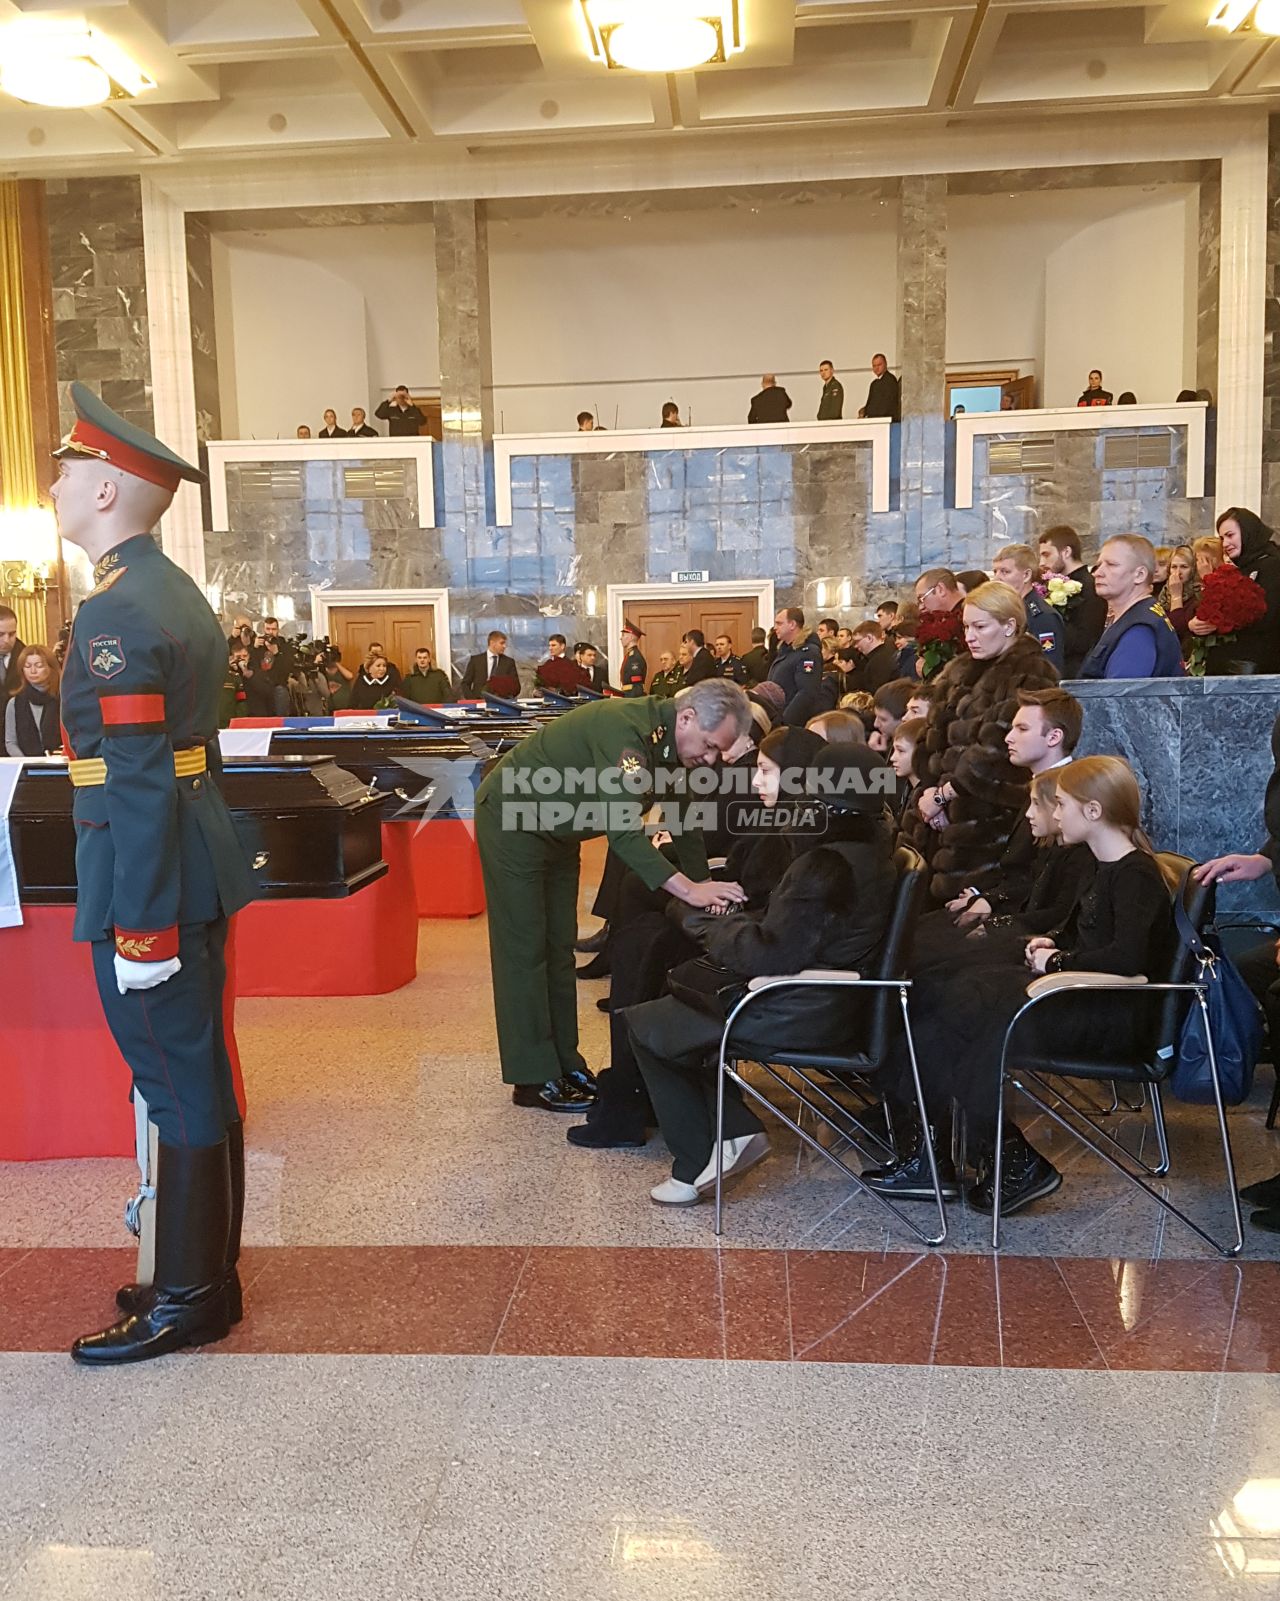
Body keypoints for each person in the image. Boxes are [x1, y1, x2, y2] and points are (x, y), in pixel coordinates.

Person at [49, 381, 256, 1364]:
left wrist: (140, 927)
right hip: (194, 857)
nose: (52, 487)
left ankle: (187, 1296)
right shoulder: (166, 590)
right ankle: (206, 1272)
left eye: (66, 472)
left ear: (105, 488)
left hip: (153, 874)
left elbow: (132, 782)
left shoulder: (118, 613)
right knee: (199, 1072)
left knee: (174, 1082)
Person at [871, 757, 1177, 1216]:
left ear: (1093, 811)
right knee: (940, 999)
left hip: (1107, 1011)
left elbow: (1127, 958)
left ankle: (995, 1157)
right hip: (1078, 993)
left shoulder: (1135, 873)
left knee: (967, 1013)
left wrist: (1056, 958)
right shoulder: (1104, 866)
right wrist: (1049, 946)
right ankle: (970, 1155)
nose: (1055, 815)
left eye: (1063, 805)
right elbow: (1089, 937)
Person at [625, 742, 897, 1205]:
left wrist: (702, 919)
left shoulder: (826, 865)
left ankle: (696, 1163)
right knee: (664, 1017)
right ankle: (732, 1130)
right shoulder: (867, 852)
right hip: (825, 998)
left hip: (794, 1005)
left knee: (645, 1026)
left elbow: (768, 955)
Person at [475, 679, 753, 1112]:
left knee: (558, 946)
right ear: (687, 718)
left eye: (719, 751)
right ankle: (532, 1076)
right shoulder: (624, 731)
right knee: (525, 950)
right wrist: (689, 890)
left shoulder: (672, 749)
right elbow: (623, 833)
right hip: (513, 821)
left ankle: (565, 1062)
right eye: (712, 746)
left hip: (559, 831)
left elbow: (685, 825)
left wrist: (708, 892)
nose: (712, 758)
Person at [901, 582, 1061, 902]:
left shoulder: (1032, 672)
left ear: (1009, 626)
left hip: (986, 818)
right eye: (966, 627)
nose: (970, 636)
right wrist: (931, 790)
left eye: (980, 626)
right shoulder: (959, 669)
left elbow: (998, 749)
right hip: (938, 812)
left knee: (958, 916)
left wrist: (945, 795)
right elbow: (931, 733)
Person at [1186, 507, 1280, 674]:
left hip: (1260, 669)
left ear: (1247, 531)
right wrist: (1198, 623)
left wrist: (1218, 622)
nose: (1225, 544)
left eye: (1230, 535)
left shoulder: (1273, 565)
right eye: (1222, 538)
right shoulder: (1241, 567)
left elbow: (1265, 617)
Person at [1080, 536, 1184, 680]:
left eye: (1111, 564)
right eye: (1099, 565)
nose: (1098, 572)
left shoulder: (1139, 630)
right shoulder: (1138, 617)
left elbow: (1119, 697)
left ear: (1140, 575)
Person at [1038, 525, 1107, 676]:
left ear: (1066, 552)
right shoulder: (1051, 584)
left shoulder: (1090, 587)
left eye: (1046, 554)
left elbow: (1085, 640)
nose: (1041, 562)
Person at [991, 543, 1065, 673]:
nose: (997, 578)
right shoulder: (1012, 610)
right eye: (995, 571)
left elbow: (1049, 668)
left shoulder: (1042, 617)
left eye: (1005, 572)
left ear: (1026, 575)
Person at [766, 607, 824, 725]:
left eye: (779, 624)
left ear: (792, 624)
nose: (775, 628)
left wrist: (784, 721)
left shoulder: (807, 653)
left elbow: (807, 692)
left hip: (792, 723)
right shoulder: (787, 650)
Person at [3, 644, 61, 756]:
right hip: (27, 766)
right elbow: (11, 742)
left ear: (50, 667)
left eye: (39, 666)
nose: (33, 671)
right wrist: (26, 762)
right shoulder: (14, 703)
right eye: (27, 666)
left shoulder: (62, 699)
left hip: (61, 763)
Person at [1156, 544, 1200, 644]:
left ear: (1193, 570)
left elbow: (1176, 630)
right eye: (1174, 567)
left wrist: (1176, 596)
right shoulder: (1163, 594)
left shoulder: (1198, 595)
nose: (1178, 572)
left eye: (1184, 567)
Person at [460, 630, 520, 697]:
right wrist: (472, 700)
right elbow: (465, 684)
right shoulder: (475, 661)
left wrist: (507, 699)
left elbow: (516, 687)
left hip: (502, 703)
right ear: (492, 643)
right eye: (502, 643)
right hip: (478, 703)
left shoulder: (509, 662)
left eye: (505, 644)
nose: (504, 646)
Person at [847, 620, 898, 694]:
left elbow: (877, 691)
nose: (856, 646)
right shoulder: (884, 654)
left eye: (858, 641)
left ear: (869, 638)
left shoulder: (879, 660)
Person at [859, 353, 901, 422]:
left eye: (879, 365)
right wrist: (864, 411)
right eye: (874, 366)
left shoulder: (890, 380)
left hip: (886, 422)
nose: (876, 368)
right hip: (876, 421)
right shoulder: (874, 384)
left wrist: (870, 414)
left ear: (885, 364)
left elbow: (887, 405)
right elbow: (870, 403)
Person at [617, 622, 647, 698]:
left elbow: (636, 686)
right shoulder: (630, 655)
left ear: (630, 637)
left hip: (632, 696)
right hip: (628, 694)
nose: (621, 638)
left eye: (623, 635)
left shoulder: (634, 657)